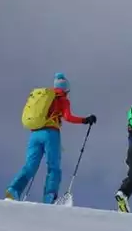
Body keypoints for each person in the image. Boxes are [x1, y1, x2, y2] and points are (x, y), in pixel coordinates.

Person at [6, 73, 96, 204]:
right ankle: (49, 197)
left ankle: (13, 190)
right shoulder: (62, 99)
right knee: (53, 166)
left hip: (35, 134)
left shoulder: (45, 97)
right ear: (66, 89)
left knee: (30, 166)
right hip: (50, 134)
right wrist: (85, 120)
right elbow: (68, 117)